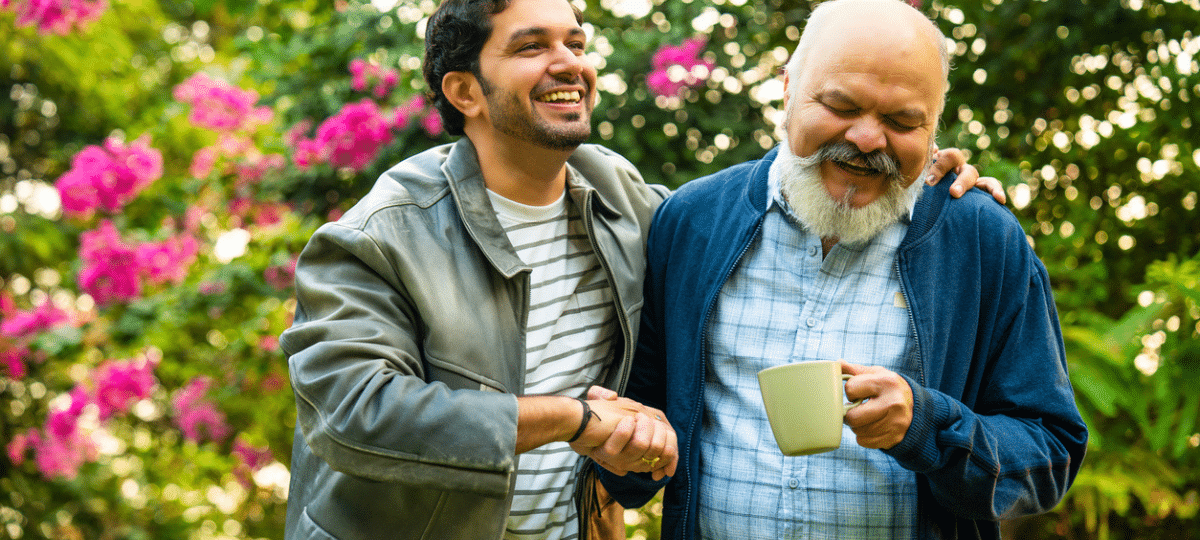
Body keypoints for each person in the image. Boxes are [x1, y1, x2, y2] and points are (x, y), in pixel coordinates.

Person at [281, 0, 999, 538]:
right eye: (531, 46)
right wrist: (572, 421)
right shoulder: (377, 238)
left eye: (575, 40)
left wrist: (914, 174)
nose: (570, 62)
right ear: (464, 91)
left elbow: (776, 193)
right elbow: (353, 417)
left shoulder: (627, 204)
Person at [596, 1, 1089, 539]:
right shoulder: (690, 223)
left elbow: (1050, 455)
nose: (868, 139)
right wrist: (624, 446)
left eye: (902, 121)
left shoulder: (980, 241)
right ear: (787, 90)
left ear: (933, 129)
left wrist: (926, 425)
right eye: (840, 105)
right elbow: (636, 449)